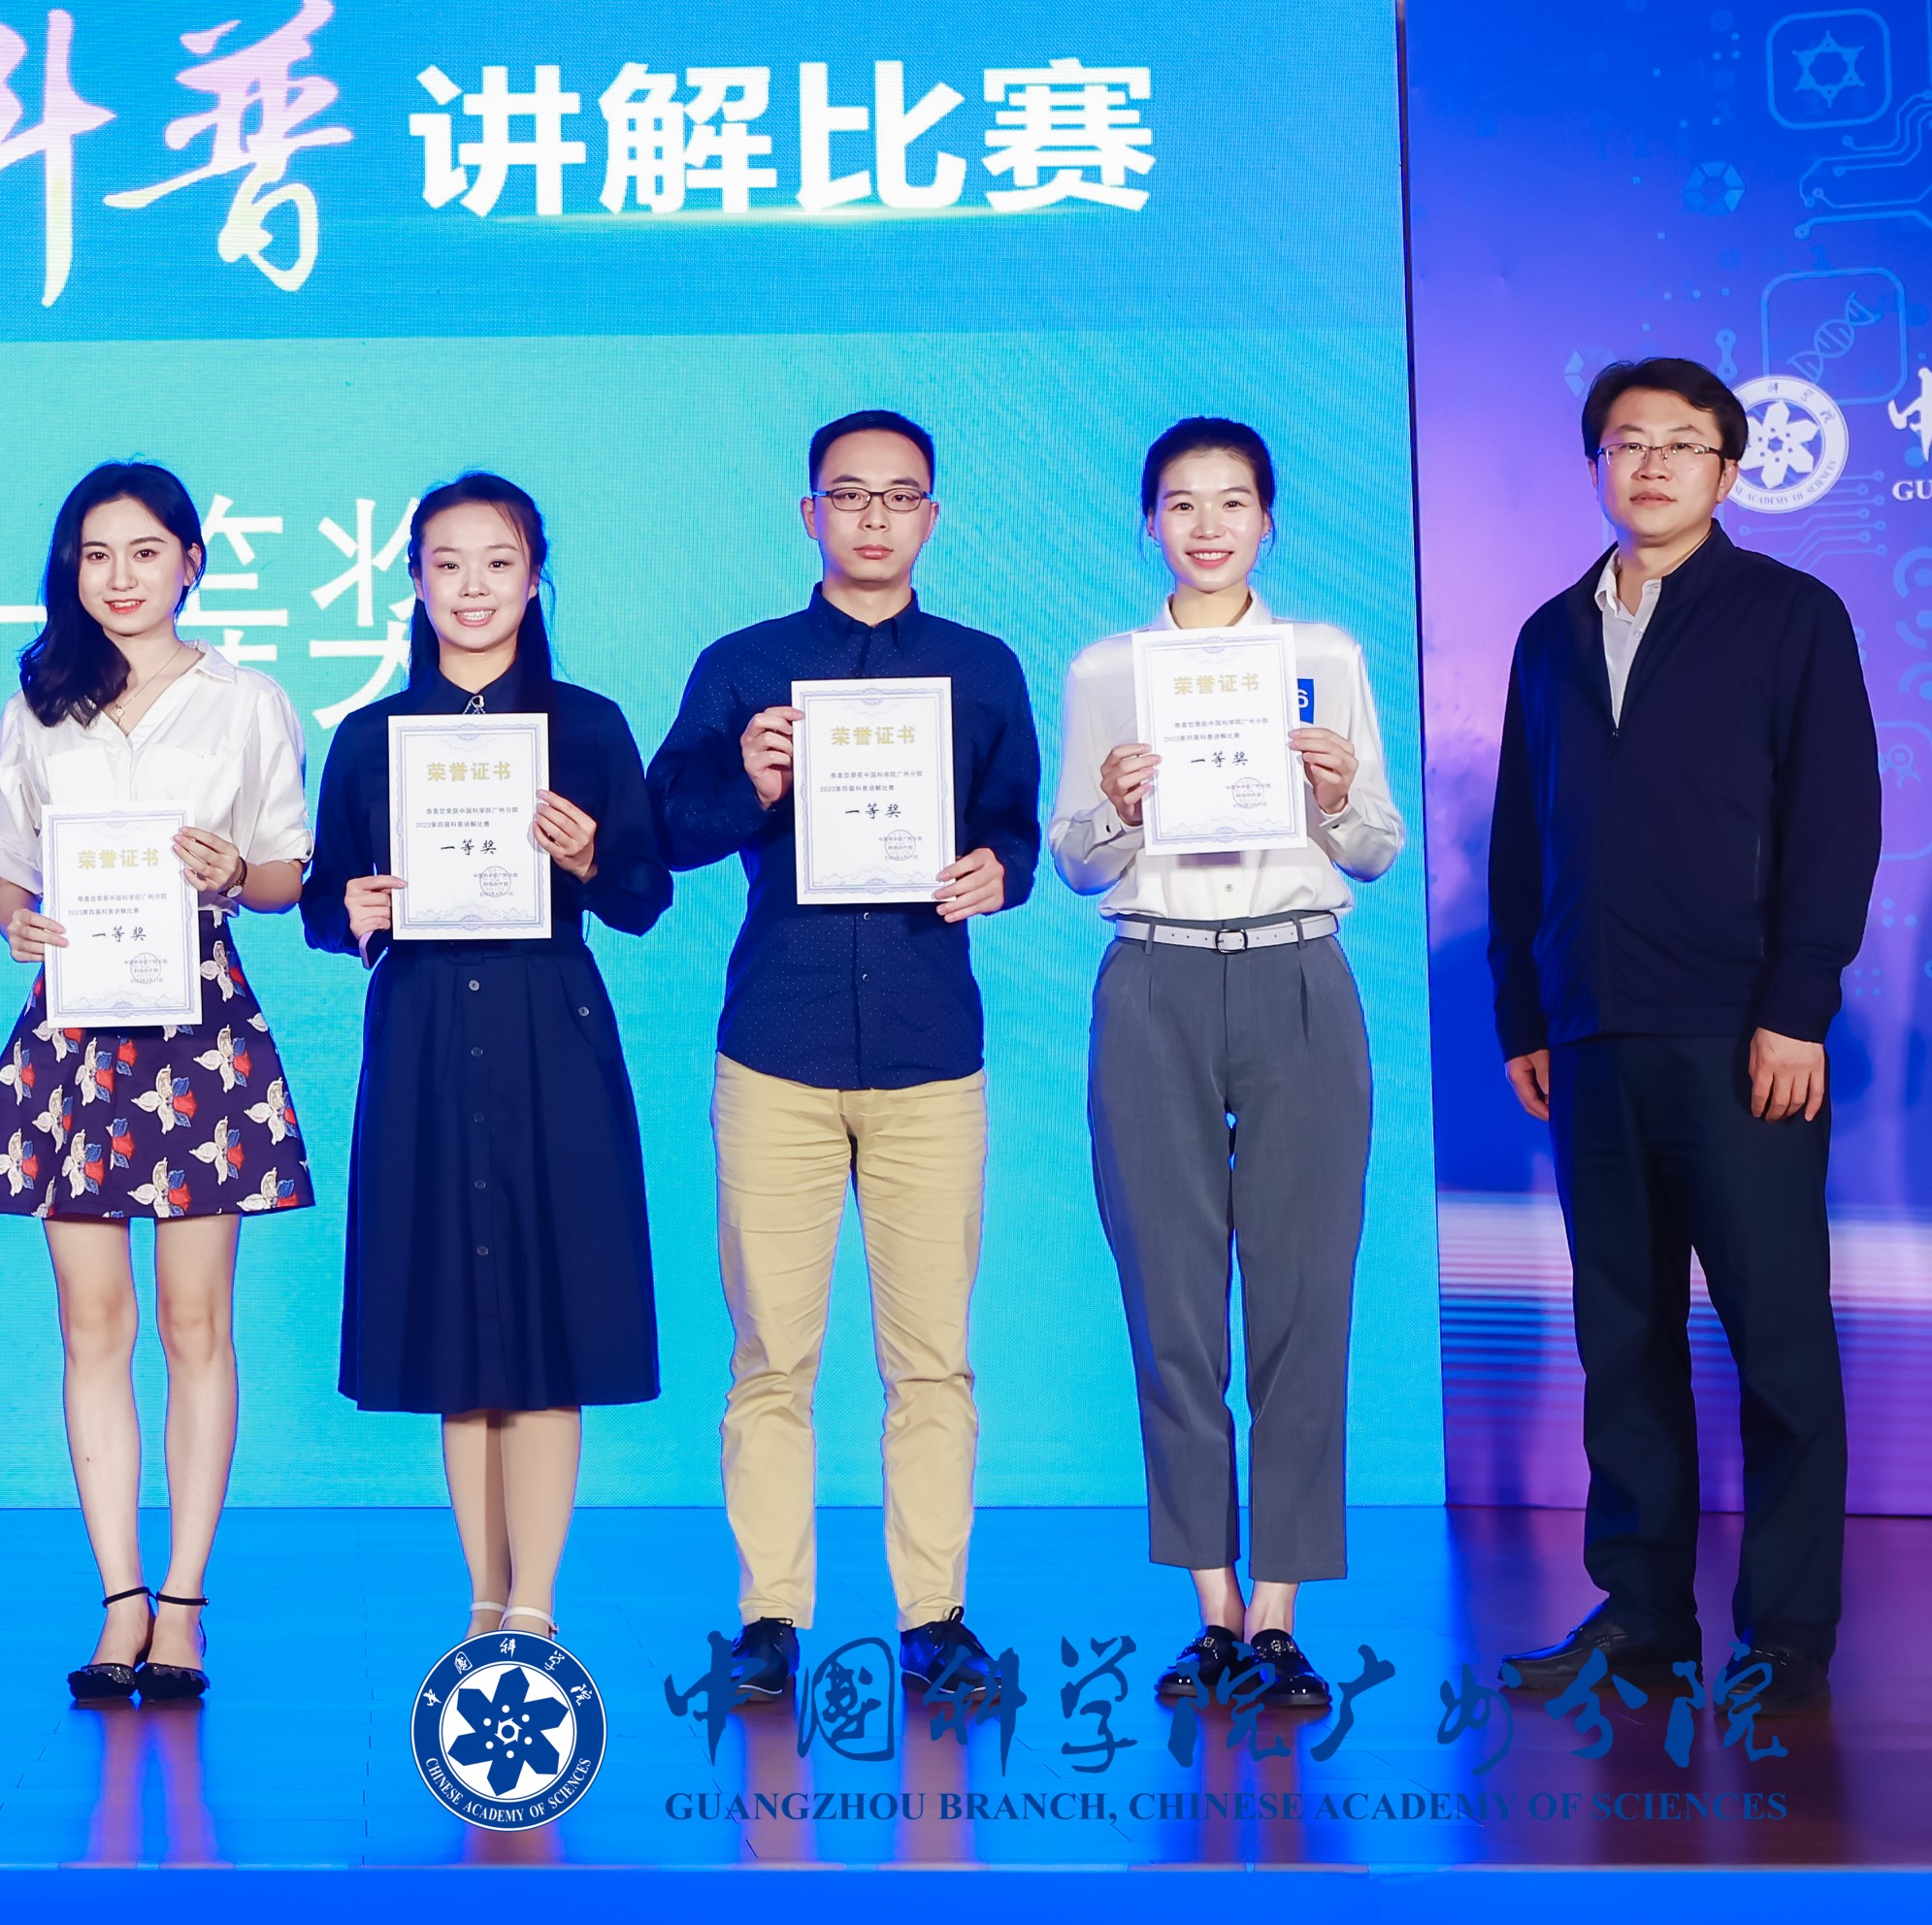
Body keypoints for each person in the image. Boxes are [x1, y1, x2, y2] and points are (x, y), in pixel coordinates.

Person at [1490, 357, 1877, 1716]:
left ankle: (1788, 1635)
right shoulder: (1550, 633)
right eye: (1626, 442)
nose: (1650, 464)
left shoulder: (1789, 615)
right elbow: (1522, 839)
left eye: (1681, 443)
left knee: (1779, 1345)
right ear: (1597, 462)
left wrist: (1796, 1008)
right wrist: (1525, 1009)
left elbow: (1837, 819)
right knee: (1626, 1338)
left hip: (1739, 1037)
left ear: (1728, 468)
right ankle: (1644, 1617)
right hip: (1591, 1035)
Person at [645, 408, 1038, 1709]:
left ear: (934, 515)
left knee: (932, 1360)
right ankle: (770, 1617)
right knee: (772, 1357)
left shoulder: (981, 668)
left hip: (930, 1051)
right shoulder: (744, 666)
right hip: (779, 1046)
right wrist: (750, 785)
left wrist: (1000, 871)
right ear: (808, 513)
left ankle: (935, 1617)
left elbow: (1015, 830)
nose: (874, 516)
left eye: (899, 494)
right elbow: (665, 833)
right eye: (849, 494)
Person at [1045, 418, 1404, 1711]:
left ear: (1270, 521)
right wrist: (1117, 804)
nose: (1208, 525)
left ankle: (1280, 1613)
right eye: (1182, 503)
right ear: (1149, 521)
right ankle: (1211, 1602)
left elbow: (1377, 847)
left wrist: (1338, 789)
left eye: (1233, 500)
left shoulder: (1324, 657)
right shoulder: (1107, 669)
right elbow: (1073, 858)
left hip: (1300, 971)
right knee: (1173, 1301)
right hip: (1155, 977)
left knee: (1307, 1296)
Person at [304, 473, 671, 1645]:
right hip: (419, 1031)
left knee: (548, 1322)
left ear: (534, 577)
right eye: (448, 563)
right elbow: (320, 900)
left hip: (549, 1027)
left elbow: (645, 896)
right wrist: (351, 908)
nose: (473, 587)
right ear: (414, 580)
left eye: (499, 562)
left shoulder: (588, 726)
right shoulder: (372, 736)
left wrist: (592, 856)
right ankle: (481, 1596)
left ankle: (536, 1601)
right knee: (456, 1327)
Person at [0, 462, 317, 1706]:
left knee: (195, 1324)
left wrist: (233, 873)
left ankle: (183, 1601)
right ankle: (118, 1595)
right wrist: (15, 918)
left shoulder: (246, 701)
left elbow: (287, 871)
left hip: (198, 1028)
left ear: (191, 562)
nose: (119, 576)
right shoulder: (37, 704)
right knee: (92, 1325)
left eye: (144, 550)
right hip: (72, 1031)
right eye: (94, 554)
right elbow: (11, 870)